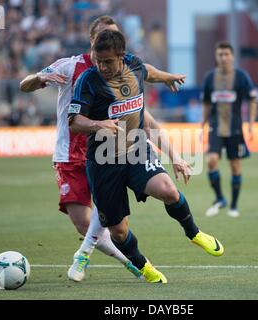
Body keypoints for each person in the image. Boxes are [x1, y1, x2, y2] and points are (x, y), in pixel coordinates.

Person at [19, 15, 190, 282]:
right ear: (92, 40)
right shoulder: (71, 67)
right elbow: (27, 84)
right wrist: (38, 78)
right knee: (83, 222)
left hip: (109, 152)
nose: (110, 40)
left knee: (108, 209)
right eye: (104, 35)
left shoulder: (122, 67)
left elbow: (146, 75)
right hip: (70, 154)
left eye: (114, 35)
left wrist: (167, 77)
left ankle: (95, 256)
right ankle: (122, 258)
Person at [68, 29, 224, 284]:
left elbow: (148, 71)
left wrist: (166, 78)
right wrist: (97, 125)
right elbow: (74, 121)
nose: (102, 66)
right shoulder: (88, 81)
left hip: (137, 149)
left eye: (107, 61)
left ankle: (194, 233)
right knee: (119, 231)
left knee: (169, 190)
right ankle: (144, 266)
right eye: (98, 60)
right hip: (104, 161)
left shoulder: (134, 66)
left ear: (122, 57)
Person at [201, 41, 257, 218]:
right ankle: (220, 198)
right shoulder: (210, 77)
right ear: (216, 57)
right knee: (211, 160)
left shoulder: (241, 76)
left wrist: (251, 124)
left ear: (232, 56)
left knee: (235, 166)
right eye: (220, 54)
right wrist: (202, 124)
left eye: (226, 54)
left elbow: (252, 99)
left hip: (235, 128)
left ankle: (233, 205)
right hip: (215, 126)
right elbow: (207, 103)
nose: (223, 57)